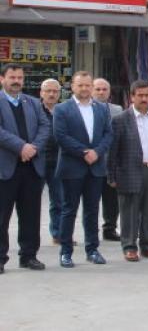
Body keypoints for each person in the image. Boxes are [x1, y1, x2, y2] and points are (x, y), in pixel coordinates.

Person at [107, 80, 148, 262]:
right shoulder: (121, 120)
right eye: (141, 95)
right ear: (132, 97)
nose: (145, 99)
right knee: (129, 210)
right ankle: (129, 246)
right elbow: (113, 151)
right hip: (130, 170)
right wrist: (111, 175)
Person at [53, 71, 113, 268]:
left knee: (92, 211)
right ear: (73, 87)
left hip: (95, 167)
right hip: (72, 167)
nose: (85, 89)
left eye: (88, 85)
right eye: (81, 85)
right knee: (68, 210)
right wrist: (84, 152)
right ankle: (66, 252)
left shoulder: (102, 109)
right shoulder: (62, 109)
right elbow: (61, 136)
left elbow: (108, 134)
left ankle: (92, 250)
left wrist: (97, 152)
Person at [0, 64, 51, 274]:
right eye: (12, 77)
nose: (16, 81)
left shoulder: (32, 102)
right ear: (2, 79)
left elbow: (45, 126)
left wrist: (33, 147)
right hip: (6, 169)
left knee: (31, 215)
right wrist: (21, 146)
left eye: (20, 77)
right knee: (2, 216)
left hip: (31, 168)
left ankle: (29, 256)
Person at [93, 77, 124, 242]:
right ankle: (90, 230)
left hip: (111, 162)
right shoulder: (84, 109)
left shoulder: (117, 110)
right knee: (91, 199)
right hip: (91, 161)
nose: (101, 92)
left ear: (109, 92)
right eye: (97, 89)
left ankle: (110, 228)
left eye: (104, 89)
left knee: (112, 199)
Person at [39, 78, 63, 244]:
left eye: (55, 91)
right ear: (41, 93)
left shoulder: (63, 111)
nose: (52, 94)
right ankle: (30, 236)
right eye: (48, 91)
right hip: (37, 161)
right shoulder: (34, 110)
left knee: (58, 200)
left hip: (58, 161)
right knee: (31, 201)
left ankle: (58, 233)